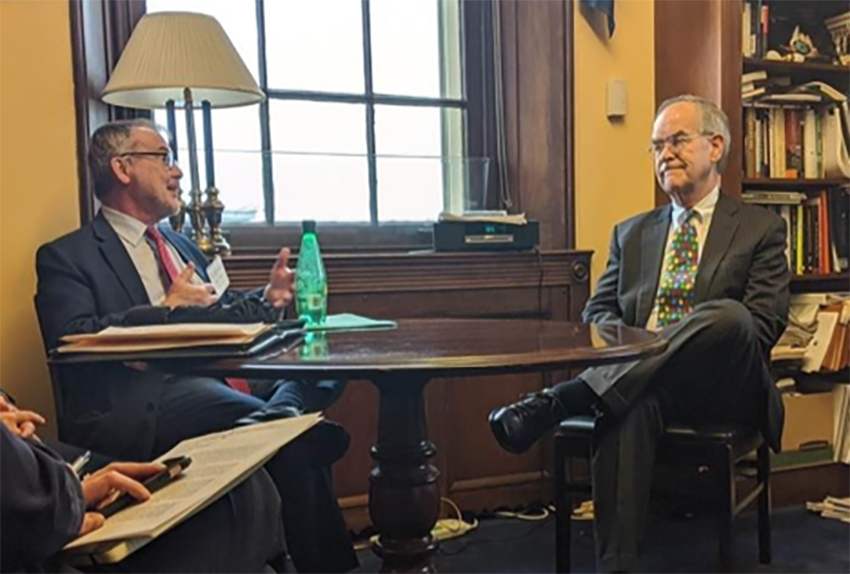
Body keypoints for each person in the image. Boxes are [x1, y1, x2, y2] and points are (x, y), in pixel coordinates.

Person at [34, 119, 356, 572]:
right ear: (122, 168)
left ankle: (282, 417)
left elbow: (218, 311)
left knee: (319, 370)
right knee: (281, 427)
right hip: (146, 395)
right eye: (163, 157)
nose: (178, 171)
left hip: (217, 380)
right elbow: (70, 333)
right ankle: (289, 433)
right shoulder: (68, 255)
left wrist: (267, 300)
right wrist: (163, 309)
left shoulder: (181, 245)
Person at [489, 95, 789, 572]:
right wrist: (638, 354)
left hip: (723, 385)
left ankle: (563, 399)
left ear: (715, 146)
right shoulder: (630, 234)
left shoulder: (761, 228)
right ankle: (618, 565)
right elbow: (598, 314)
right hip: (641, 385)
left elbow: (763, 328)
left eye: (677, 140)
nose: (664, 154)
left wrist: (667, 341)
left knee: (731, 317)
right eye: (655, 146)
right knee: (627, 404)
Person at [0, 395, 285, 573]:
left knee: (251, 488)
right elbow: (42, 509)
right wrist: (67, 496)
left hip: (36, 475)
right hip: (34, 510)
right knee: (246, 496)